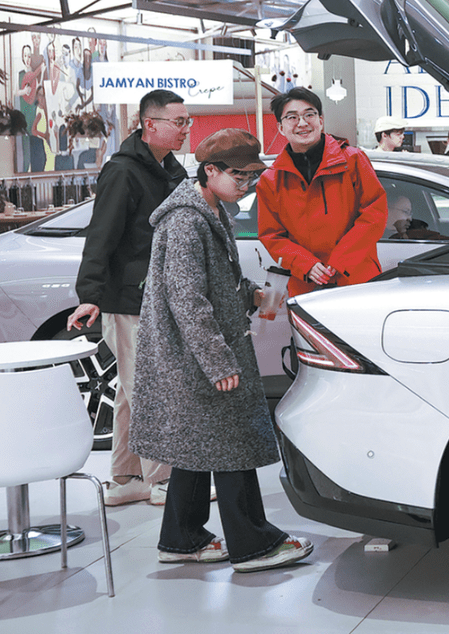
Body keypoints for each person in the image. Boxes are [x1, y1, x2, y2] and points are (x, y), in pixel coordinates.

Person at [129, 128, 313, 573]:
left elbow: (214, 281)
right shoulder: (186, 221)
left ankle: (182, 538)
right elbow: (186, 298)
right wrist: (217, 361)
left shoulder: (208, 211)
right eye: (239, 175)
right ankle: (255, 545)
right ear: (210, 171)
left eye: (251, 176)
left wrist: (252, 294)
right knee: (233, 444)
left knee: (198, 447)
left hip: (196, 354)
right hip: (196, 357)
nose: (246, 184)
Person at [67, 89, 189, 506]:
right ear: (149, 124)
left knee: (130, 391)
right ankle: (164, 481)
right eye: (178, 122)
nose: (185, 130)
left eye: (187, 122)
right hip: (129, 300)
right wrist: (90, 293)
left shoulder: (170, 170)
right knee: (150, 390)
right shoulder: (123, 171)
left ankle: (127, 477)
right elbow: (101, 235)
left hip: (158, 296)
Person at [257, 87, 387, 296]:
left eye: (309, 114)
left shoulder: (353, 160)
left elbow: (375, 214)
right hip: (305, 284)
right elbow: (271, 235)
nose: (302, 123)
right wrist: (305, 264)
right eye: (292, 117)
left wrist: (340, 261)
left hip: (356, 278)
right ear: (281, 127)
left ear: (321, 121)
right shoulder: (271, 180)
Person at [385, 194, 449, 241]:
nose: (410, 218)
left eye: (410, 214)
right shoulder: (381, 238)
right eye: (406, 212)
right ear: (387, 210)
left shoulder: (413, 234)